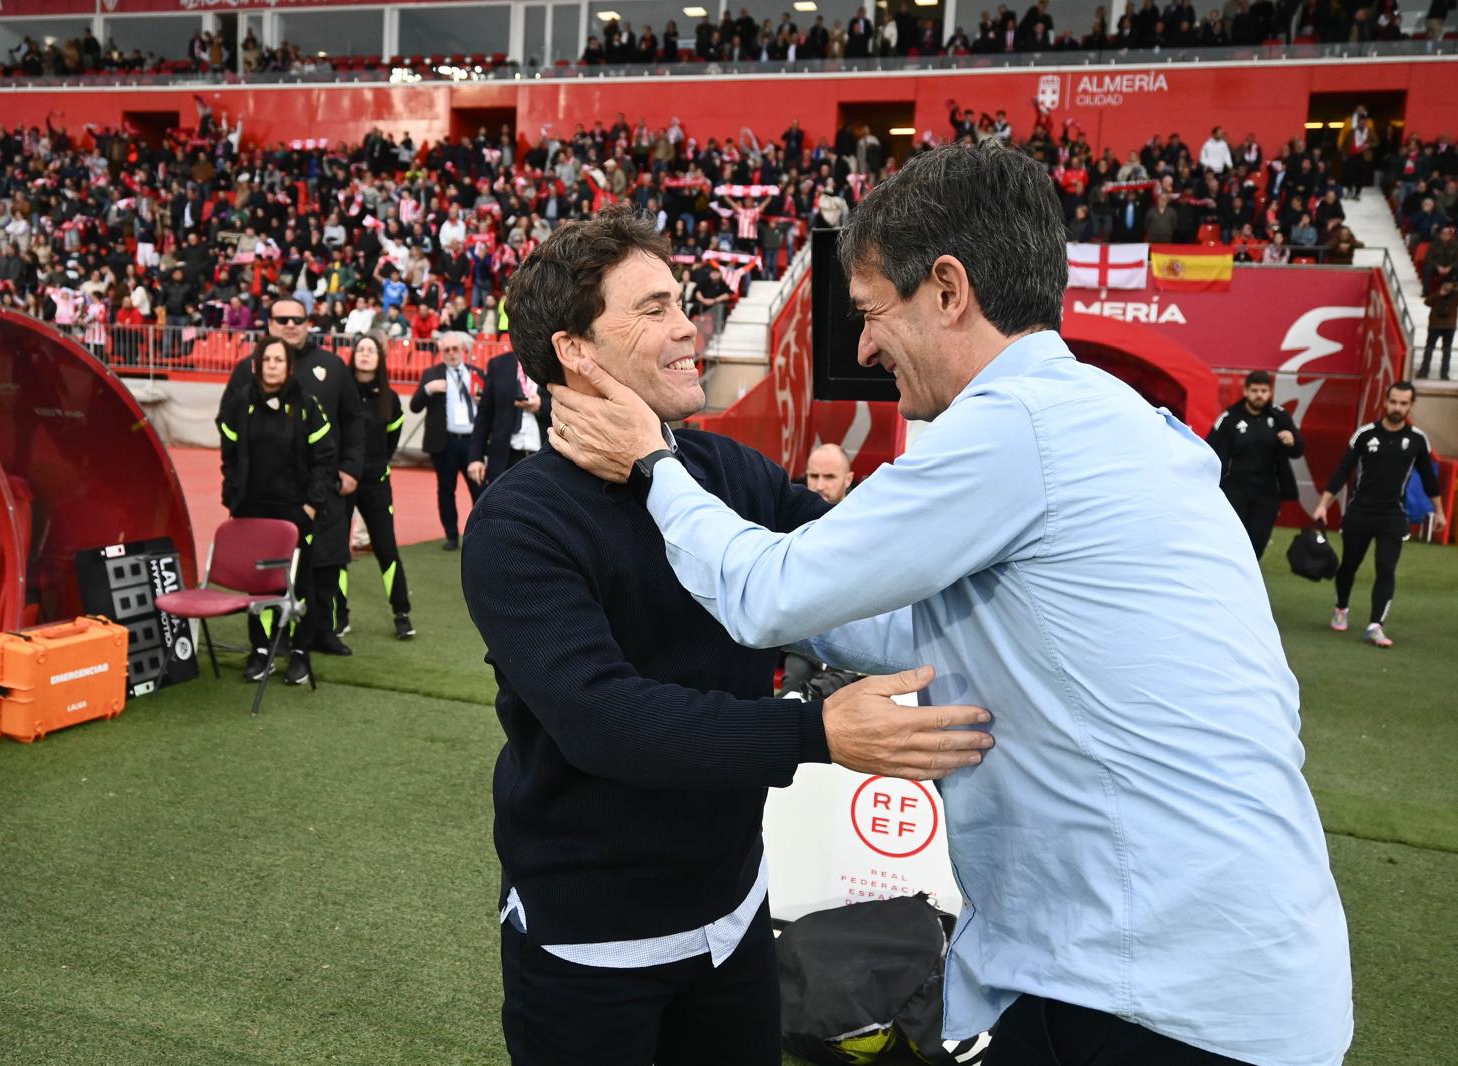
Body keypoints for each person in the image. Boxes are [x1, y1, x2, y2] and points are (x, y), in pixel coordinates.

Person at [548, 144, 1353, 1066]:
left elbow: (764, 596)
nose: (863, 347)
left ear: (947, 289)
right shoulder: (1106, 415)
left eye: (869, 313)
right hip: (1178, 964)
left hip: (1156, 993)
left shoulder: (1014, 429)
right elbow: (923, 634)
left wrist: (654, 467)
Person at [461, 203, 992, 1066]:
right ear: (575, 350)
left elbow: (853, 566)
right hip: (592, 946)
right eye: (655, 309)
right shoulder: (519, 524)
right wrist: (817, 732)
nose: (689, 328)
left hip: (736, 913)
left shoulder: (725, 471)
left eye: (683, 303)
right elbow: (605, 720)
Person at [225, 299, 361, 656]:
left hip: (321, 489)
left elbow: (352, 419)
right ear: (269, 324)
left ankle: (322, 633)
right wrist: (233, 490)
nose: (290, 325)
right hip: (266, 498)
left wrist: (350, 467)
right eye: (282, 319)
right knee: (268, 569)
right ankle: (273, 641)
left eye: (297, 319)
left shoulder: (332, 366)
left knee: (325, 564)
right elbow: (228, 434)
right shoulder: (246, 372)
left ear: (308, 323)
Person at [217, 337, 338, 686]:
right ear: (258, 364)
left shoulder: (307, 406)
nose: (272, 365)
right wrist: (233, 496)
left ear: (289, 366)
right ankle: (261, 650)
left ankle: (300, 653)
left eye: (278, 360)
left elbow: (325, 458)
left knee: (299, 583)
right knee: (257, 583)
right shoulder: (240, 403)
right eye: (267, 359)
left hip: (294, 511)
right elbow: (229, 455)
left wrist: (312, 504)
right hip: (252, 510)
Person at [1312, 381, 1445, 647]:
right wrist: (1323, 504)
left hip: (1393, 515)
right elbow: (1342, 471)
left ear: (1411, 405)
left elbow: (1430, 480)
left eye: (1403, 403)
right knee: (1349, 565)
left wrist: (1439, 512)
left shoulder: (1417, 440)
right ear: (1385, 401)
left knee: (1386, 569)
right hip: (1360, 511)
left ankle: (1375, 626)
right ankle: (1341, 607)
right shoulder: (1364, 435)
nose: (1397, 407)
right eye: (1393, 402)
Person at [339, 332, 415, 642]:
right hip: (342, 482)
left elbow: (392, 438)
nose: (365, 354)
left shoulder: (390, 399)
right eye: (361, 349)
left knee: (386, 548)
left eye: (371, 350)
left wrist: (376, 464)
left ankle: (401, 613)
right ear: (353, 355)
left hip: (376, 482)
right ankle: (338, 616)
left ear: (380, 358)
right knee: (337, 550)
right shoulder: (340, 393)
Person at [782, 444, 858, 697]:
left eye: (829, 477)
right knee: (793, 681)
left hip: (852, 626)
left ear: (848, 479)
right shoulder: (790, 517)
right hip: (802, 626)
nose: (819, 485)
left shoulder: (864, 520)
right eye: (813, 476)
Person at [1204, 369, 1305, 557]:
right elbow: (1210, 451)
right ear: (1246, 391)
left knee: (1257, 542)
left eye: (1264, 391)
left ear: (1270, 392)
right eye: (1255, 390)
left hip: (1267, 492)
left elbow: (1298, 450)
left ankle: (1249, 572)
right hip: (1235, 490)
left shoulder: (1279, 417)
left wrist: (1292, 442)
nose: (1259, 395)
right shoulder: (1229, 418)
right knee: (1231, 540)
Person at [409, 331, 486, 550]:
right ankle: (451, 535)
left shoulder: (477, 374)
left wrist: (482, 399)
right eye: (447, 350)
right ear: (441, 353)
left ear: (463, 350)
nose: (452, 353)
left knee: (480, 490)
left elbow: (489, 407)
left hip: (473, 442)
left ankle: (482, 533)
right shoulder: (431, 374)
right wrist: (428, 389)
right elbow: (415, 406)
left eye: (455, 349)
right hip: (445, 443)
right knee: (446, 490)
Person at [467, 347, 552, 491]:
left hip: (544, 458)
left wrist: (541, 406)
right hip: (506, 458)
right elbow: (485, 414)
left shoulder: (553, 363)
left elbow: (569, 406)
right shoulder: (498, 365)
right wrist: (476, 457)